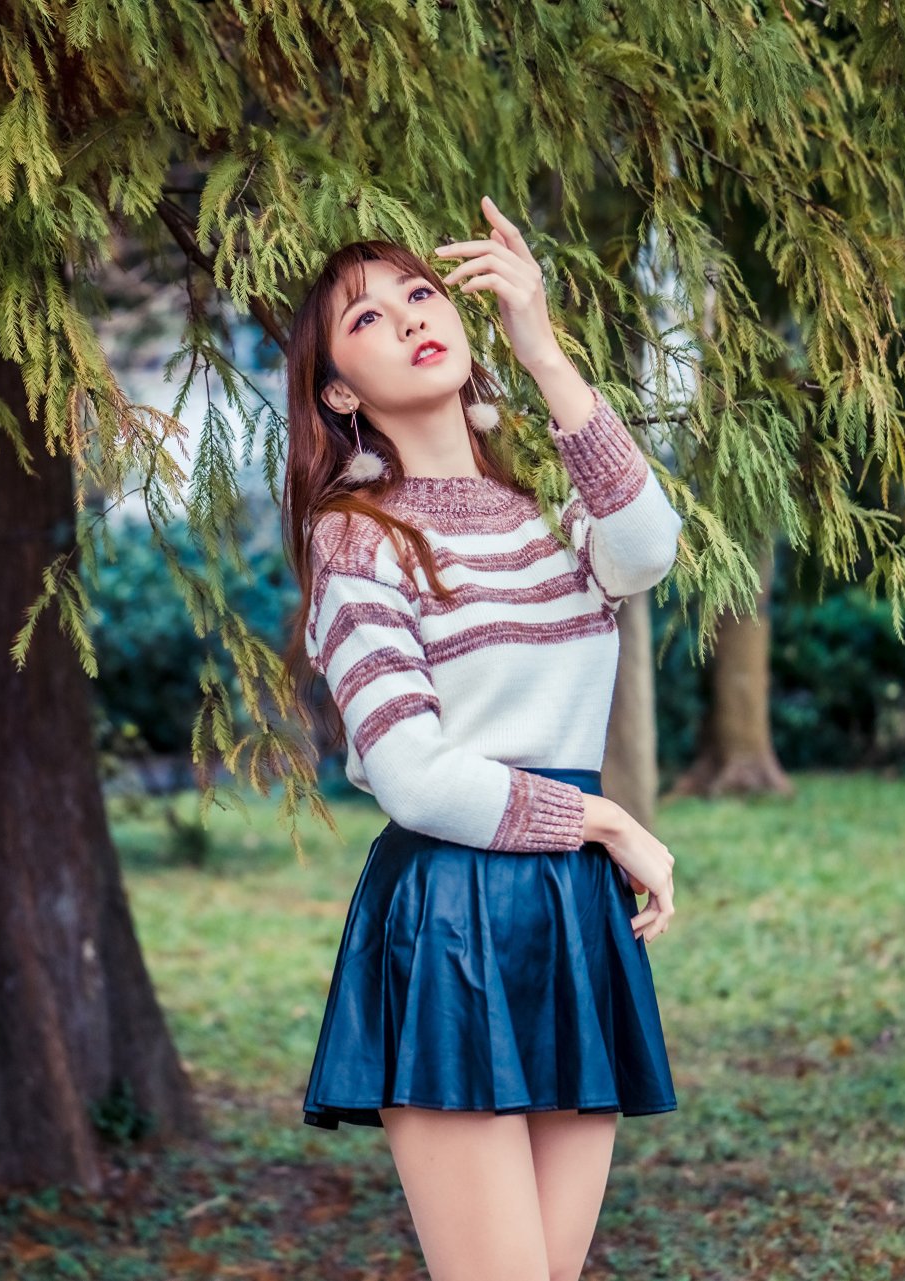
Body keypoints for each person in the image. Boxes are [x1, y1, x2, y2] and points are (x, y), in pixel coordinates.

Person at [280, 196, 684, 1281]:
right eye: (365, 319)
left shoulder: (549, 531)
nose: (411, 315)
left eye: (420, 292)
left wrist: (541, 348)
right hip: (451, 913)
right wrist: (604, 821)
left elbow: (648, 546)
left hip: (568, 915)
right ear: (338, 391)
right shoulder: (356, 538)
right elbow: (413, 773)